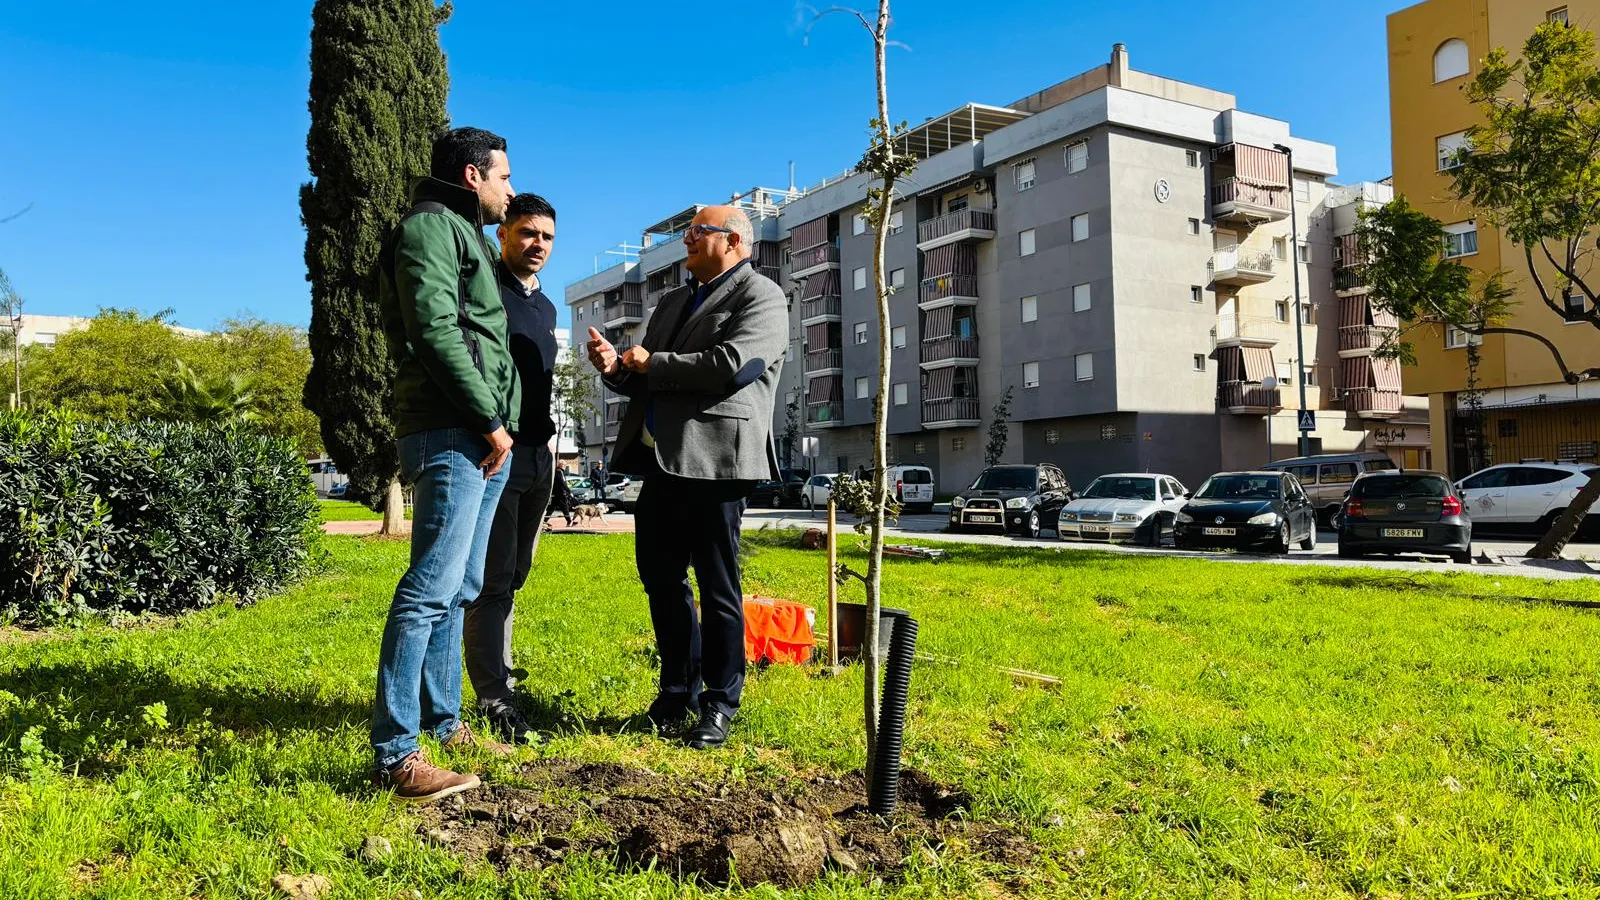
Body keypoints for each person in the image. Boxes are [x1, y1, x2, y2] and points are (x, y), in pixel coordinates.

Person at [585, 205, 787, 750]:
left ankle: (720, 704)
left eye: (700, 231)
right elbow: (653, 380)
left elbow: (733, 366)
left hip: (717, 464)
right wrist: (617, 370)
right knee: (661, 581)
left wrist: (652, 363)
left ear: (736, 242)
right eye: (686, 231)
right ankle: (677, 691)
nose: (688, 240)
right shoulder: (672, 301)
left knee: (719, 589)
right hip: (662, 465)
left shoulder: (762, 295)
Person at [371, 126, 521, 803]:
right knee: (429, 588)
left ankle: (443, 721)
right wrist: (487, 418)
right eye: (505, 178)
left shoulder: (470, 238)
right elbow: (432, 328)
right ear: (472, 175)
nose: (510, 191)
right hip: (454, 430)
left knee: (459, 587)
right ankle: (397, 755)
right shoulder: (431, 228)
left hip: (482, 437)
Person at [464, 193, 560, 744]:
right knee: (492, 580)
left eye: (546, 237)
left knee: (514, 576)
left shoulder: (545, 308)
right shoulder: (487, 293)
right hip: (496, 451)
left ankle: (497, 676)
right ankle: (494, 697)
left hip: (538, 458)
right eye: (527, 233)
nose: (537, 245)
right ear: (503, 235)